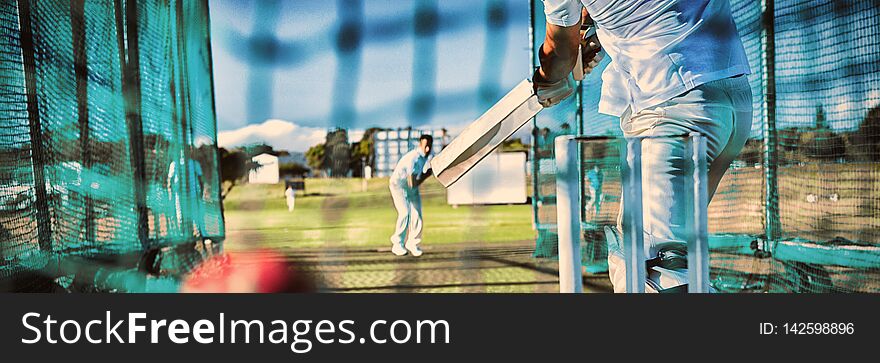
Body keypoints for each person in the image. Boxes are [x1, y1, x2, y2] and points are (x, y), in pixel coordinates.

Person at [536, 0, 753, 292]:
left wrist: (547, 76)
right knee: (671, 253)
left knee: (650, 268)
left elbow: (558, 53)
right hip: (733, 104)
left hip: (671, 109)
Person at [388, 134, 433, 257]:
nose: (428, 149)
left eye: (430, 146)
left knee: (417, 214)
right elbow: (412, 183)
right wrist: (427, 174)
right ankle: (397, 244)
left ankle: (413, 243)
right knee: (405, 213)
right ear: (420, 144)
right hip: (398, 185)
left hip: (410, 186)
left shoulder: (425, 157)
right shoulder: (413, 158)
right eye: (425, 146)